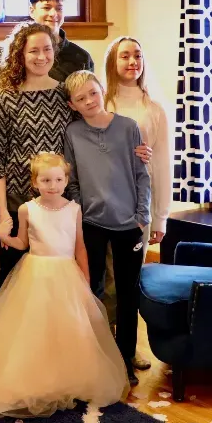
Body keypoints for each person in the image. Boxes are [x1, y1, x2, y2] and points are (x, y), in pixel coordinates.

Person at [0, 152, 129, 419]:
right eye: (46, 180)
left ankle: (66, 377)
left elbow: (80, 247)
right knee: (34, 327)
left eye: (58, 180)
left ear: (66, 180)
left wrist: (84, 279)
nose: (52, 185)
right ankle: (35, 379)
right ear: (35, 182)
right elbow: (22, 243)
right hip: (35, 274)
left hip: (66, 276)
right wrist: (4, 236)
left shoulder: (74, 209)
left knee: (68, 327)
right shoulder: (28, 209)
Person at [63, 70, 151, 386]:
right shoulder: (72, 132)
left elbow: (142, 174)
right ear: (72, 105)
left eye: (93, 93)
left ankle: (125, 358)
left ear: (102, 90)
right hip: (92, 224)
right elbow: (72, 178)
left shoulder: (128, 128)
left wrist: (141, 215)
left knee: (128, 293)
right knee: (93, 292)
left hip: (129, 224)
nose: (89, 101)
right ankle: (97, 357)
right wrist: (80, 211)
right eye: (81, 98)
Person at [0, 22, 73, 300]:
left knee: (53, 288)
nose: (41, 56)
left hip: (57, 205)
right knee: (10, 289)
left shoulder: (65, 94)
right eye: (33, 51)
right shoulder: (5, 96)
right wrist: (3, 213)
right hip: (17, 206)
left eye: (47, 49)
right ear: (20, 55)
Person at [102, 36, 172, 372]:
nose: (133, 62)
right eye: (125, 56)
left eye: (138, 56)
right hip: (103, 204)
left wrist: (161, 217)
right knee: (106, 279)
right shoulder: (102, 103)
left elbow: (162, 164)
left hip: (139, 207)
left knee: (130, 278)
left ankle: (127, 347)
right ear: (112, 62)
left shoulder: (154, 110)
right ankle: (105, 345)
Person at [29, 0, 94, 82]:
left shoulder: (81, 57)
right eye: (46, 8)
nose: (53, 13)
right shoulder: (18, 51)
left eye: (59, 8)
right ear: (32, 11)